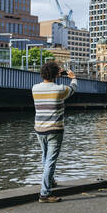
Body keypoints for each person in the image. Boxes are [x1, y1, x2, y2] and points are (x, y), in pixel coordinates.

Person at [32, 61, 77, 203]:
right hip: (54, 130)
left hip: (39, 129)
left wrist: (56, 74)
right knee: (50, 160)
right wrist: (73, 77)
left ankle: (50, 180)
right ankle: (45, 194)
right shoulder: (60, 89)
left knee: (45, 157)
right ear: (56, 74)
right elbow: (73, 89)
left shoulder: (35, 88)